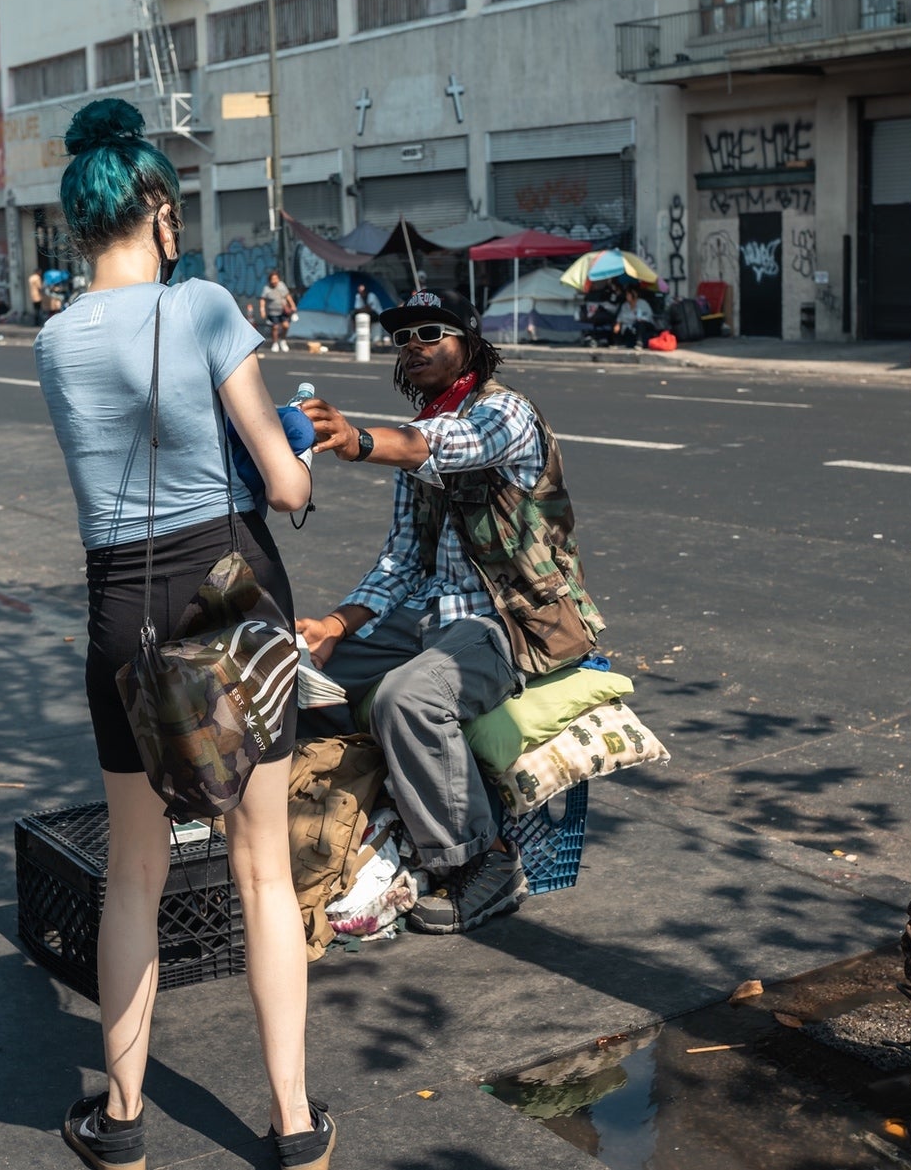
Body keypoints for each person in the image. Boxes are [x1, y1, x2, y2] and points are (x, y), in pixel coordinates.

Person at [33, 98, 334, 1170]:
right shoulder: (204, 303)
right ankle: (296, 1125)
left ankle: (120, 1122)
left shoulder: (54, 340)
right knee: (261, 866)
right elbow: (286, 477)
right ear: (159, 210)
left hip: (124, 603)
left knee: (134, 870)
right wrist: (292, 458)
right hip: (228, 588)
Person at [295, 290, 605, 935]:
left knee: (406, 699)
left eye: (431, 332)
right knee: (289, 676)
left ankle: (484, 862)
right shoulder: (419, 436)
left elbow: (444, 444)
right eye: (404, 337)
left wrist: (354, 440)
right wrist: (336, 624)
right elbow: (402, 559)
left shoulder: (505, 414)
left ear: (468, 341)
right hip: (428, 614)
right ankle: (356, 818)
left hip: (508, 620)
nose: (415, 345)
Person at [261, 270, 295, 352]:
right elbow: (263, 299)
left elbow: (288, 296)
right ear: (270, 280)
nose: (275, 281)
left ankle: (283, 340)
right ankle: (275, 343)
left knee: (286, 326)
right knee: (275, 327)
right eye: (273, 279)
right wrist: (262, 310)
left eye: (276, 279)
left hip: (283, 311)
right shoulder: (267, 288)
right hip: (273, 312)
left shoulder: (281, 286)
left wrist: (293, 305)